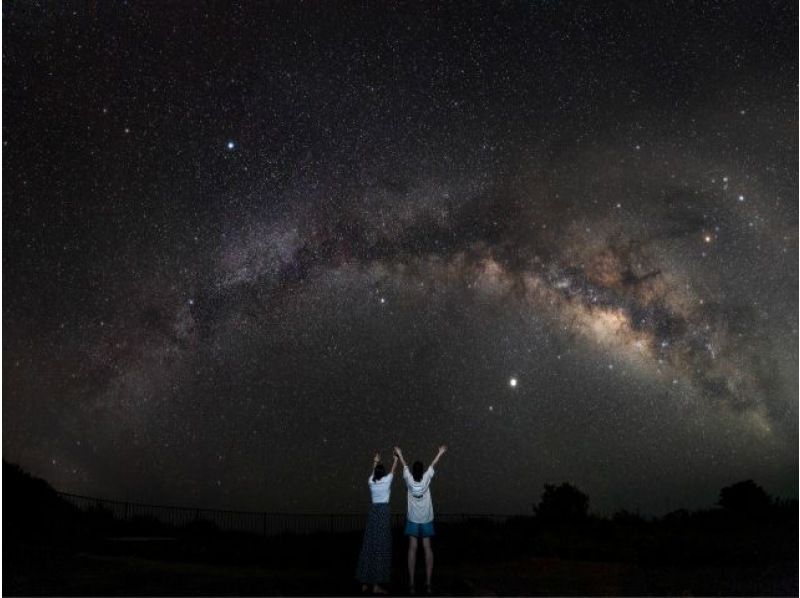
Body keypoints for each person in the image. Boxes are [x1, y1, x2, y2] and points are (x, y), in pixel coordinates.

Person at [394, 445, 447, 594]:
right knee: (427, 548)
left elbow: (404, 465)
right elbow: (433, 465)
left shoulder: (409, 479)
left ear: (413, 471)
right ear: (422, 471)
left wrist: (400, 453)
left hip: (413, 519)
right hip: (426, 519)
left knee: (412, 549)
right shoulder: (426, 479)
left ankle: (411, 584)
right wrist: (440, 453)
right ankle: (428, 584)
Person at [355, 451, 398, 594]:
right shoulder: (387, 481)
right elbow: (393, 469)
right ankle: (376, 586)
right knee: (380, 548)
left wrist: (375, 460)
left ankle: (365, 582)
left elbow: (373, 473)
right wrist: (396, 459)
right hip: (383, 514)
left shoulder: (370, 481)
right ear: (384, 474)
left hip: (373, 514)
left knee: (370, 546)